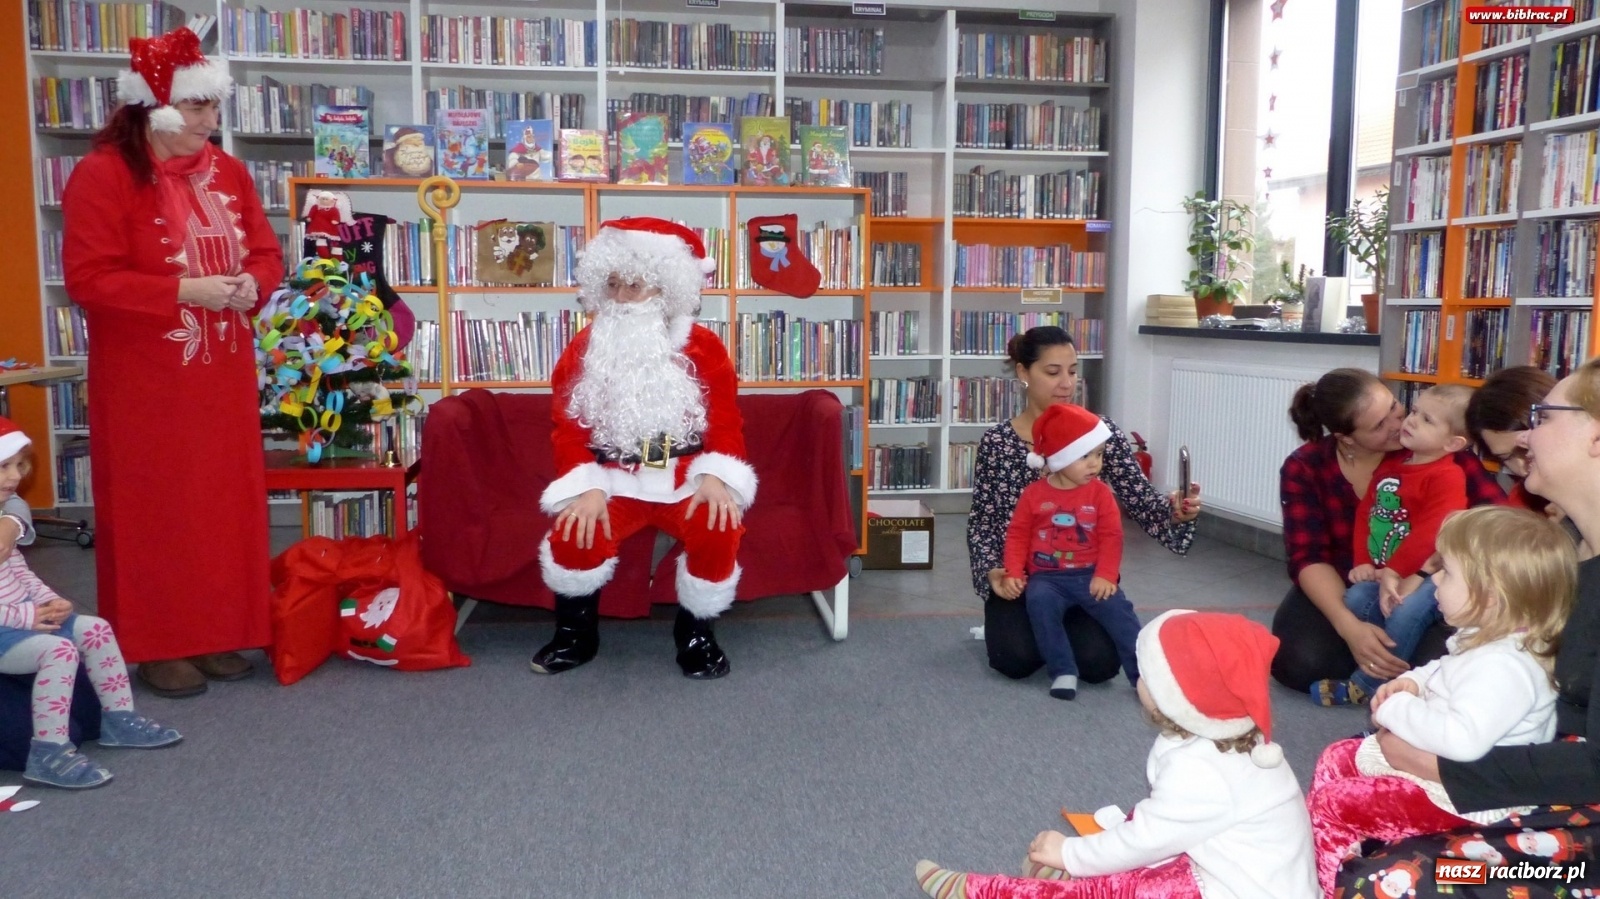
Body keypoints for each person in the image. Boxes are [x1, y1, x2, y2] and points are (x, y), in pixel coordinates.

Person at [62, 27, 284, 697]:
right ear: (154, 107)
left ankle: (215, 630)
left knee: (221, 502)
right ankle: (159, 643)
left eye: (214, 108)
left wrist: (254, 285)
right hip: (143, 380)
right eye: (197, 109)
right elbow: (88, 279)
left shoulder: (232, 172)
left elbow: (268, 254)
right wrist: (183, 290)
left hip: (220, 372)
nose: (211, 124)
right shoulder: (101, 175)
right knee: (153, 506)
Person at [1338, 358, 1600, 894]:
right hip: (1539, 781)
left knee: (1389, 879)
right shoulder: (1565, 548)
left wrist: (1438, 765)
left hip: (1582, 840)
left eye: (1544, 417)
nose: (1527, 434)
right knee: (1358, 831)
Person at [914, 611, 1318, 899]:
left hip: (1234, 889)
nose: (1137, 676)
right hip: (1244, 875)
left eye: (1146, 673)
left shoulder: (1200, 772)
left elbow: (1143, 842)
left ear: (1172, 699)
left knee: (1129, 885)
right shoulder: (1228, 735)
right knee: (1145, 867)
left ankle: (983, 892)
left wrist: (1070, 853)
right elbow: (1169, 828)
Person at [1307, 505, 1573, 895]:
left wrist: (1397, 709)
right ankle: (1336, 853)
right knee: (1336, 757)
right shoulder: (1485, 636)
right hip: (1437, 767)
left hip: (1461, 796)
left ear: (1489, 596)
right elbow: (1442, 668)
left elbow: (1461, 740)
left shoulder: (1505, 667)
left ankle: (1326, 883)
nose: (1435, 579)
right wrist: (1412, 684)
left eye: (1447, 572)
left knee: (1337, 806)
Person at [532, 217, 755, 680]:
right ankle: (576, 636)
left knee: (719, 527)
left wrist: (716, 476)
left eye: (635, 286)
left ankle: (696, 636)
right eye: (612, 285)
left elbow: (727, 422)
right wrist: (586, 487)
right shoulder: (584, 348)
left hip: (685, 476)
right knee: (576, 527)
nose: (621, 298)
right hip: (616, 479)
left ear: (665, 289)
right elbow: (568, 429)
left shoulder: (704, 347)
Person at [968, 326, 1201, 684]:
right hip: (1023, 577)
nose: (1066, 383)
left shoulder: (1099, 432)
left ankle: (1064, 634)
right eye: (1053, 372)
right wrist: (993, 572)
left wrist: (1175, 512)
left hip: (1084, 576)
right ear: (1023, 373)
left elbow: (1140, 499)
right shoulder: (998, 442)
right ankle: (1020, 627)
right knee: (1015, 659)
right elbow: (983, 523)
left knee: (1098, 665)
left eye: (1073, 371)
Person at [1272, 368, 1503, 694]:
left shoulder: (1437, 450)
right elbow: (1307, 556)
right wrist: (1348, 627)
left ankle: (1379, 667)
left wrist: (1424, 573)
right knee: (1298, 663)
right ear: (1346, 438)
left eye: (1395, 407)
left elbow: (1496, 523)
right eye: (1380, 425)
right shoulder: (1305, 466)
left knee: (1442, 665)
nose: (1400, 424)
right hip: (1349, 583)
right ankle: (1375, 656)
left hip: (1426, 582)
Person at [0, 418, 181, 789]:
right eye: (4, 467)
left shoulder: (4, 519)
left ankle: (118, 720)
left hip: (27, 619)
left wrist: (49, 599)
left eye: (19, 466)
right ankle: (48, 752)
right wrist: (28, 616)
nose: (15, 477)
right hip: (8, 630)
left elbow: (21, 573)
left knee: (96, 628)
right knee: (60, 654)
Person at [1310, 385, 1473, 707]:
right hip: (1389, 574)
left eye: (1426, 419)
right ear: (1346, 437)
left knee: (1405, 611)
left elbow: (1432, 532)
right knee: (1355, 597)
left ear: (1452, 443)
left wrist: (1395, 573)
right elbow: (1366, 515)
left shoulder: (1448, 475)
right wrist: (1363, 561)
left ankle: (1368, 682)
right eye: (1414, 411)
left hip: (1432, 571)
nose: (1409, 421)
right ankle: (1399, 661)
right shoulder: (1392, 468)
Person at [1000, 403, 1141, 700]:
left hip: (1091, 576)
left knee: (1122, 617)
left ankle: (1142, 675)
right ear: (1059, 459)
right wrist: (1014, 571)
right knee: (1040, 606)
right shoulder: (1034, 494)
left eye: (1099, 455)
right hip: (1047, 578)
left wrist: (1105, 575)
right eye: (1085, 456)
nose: (1095, 464)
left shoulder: (1101, 493)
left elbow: (1112, 536)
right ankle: (1063, 669)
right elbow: (1017, 535)